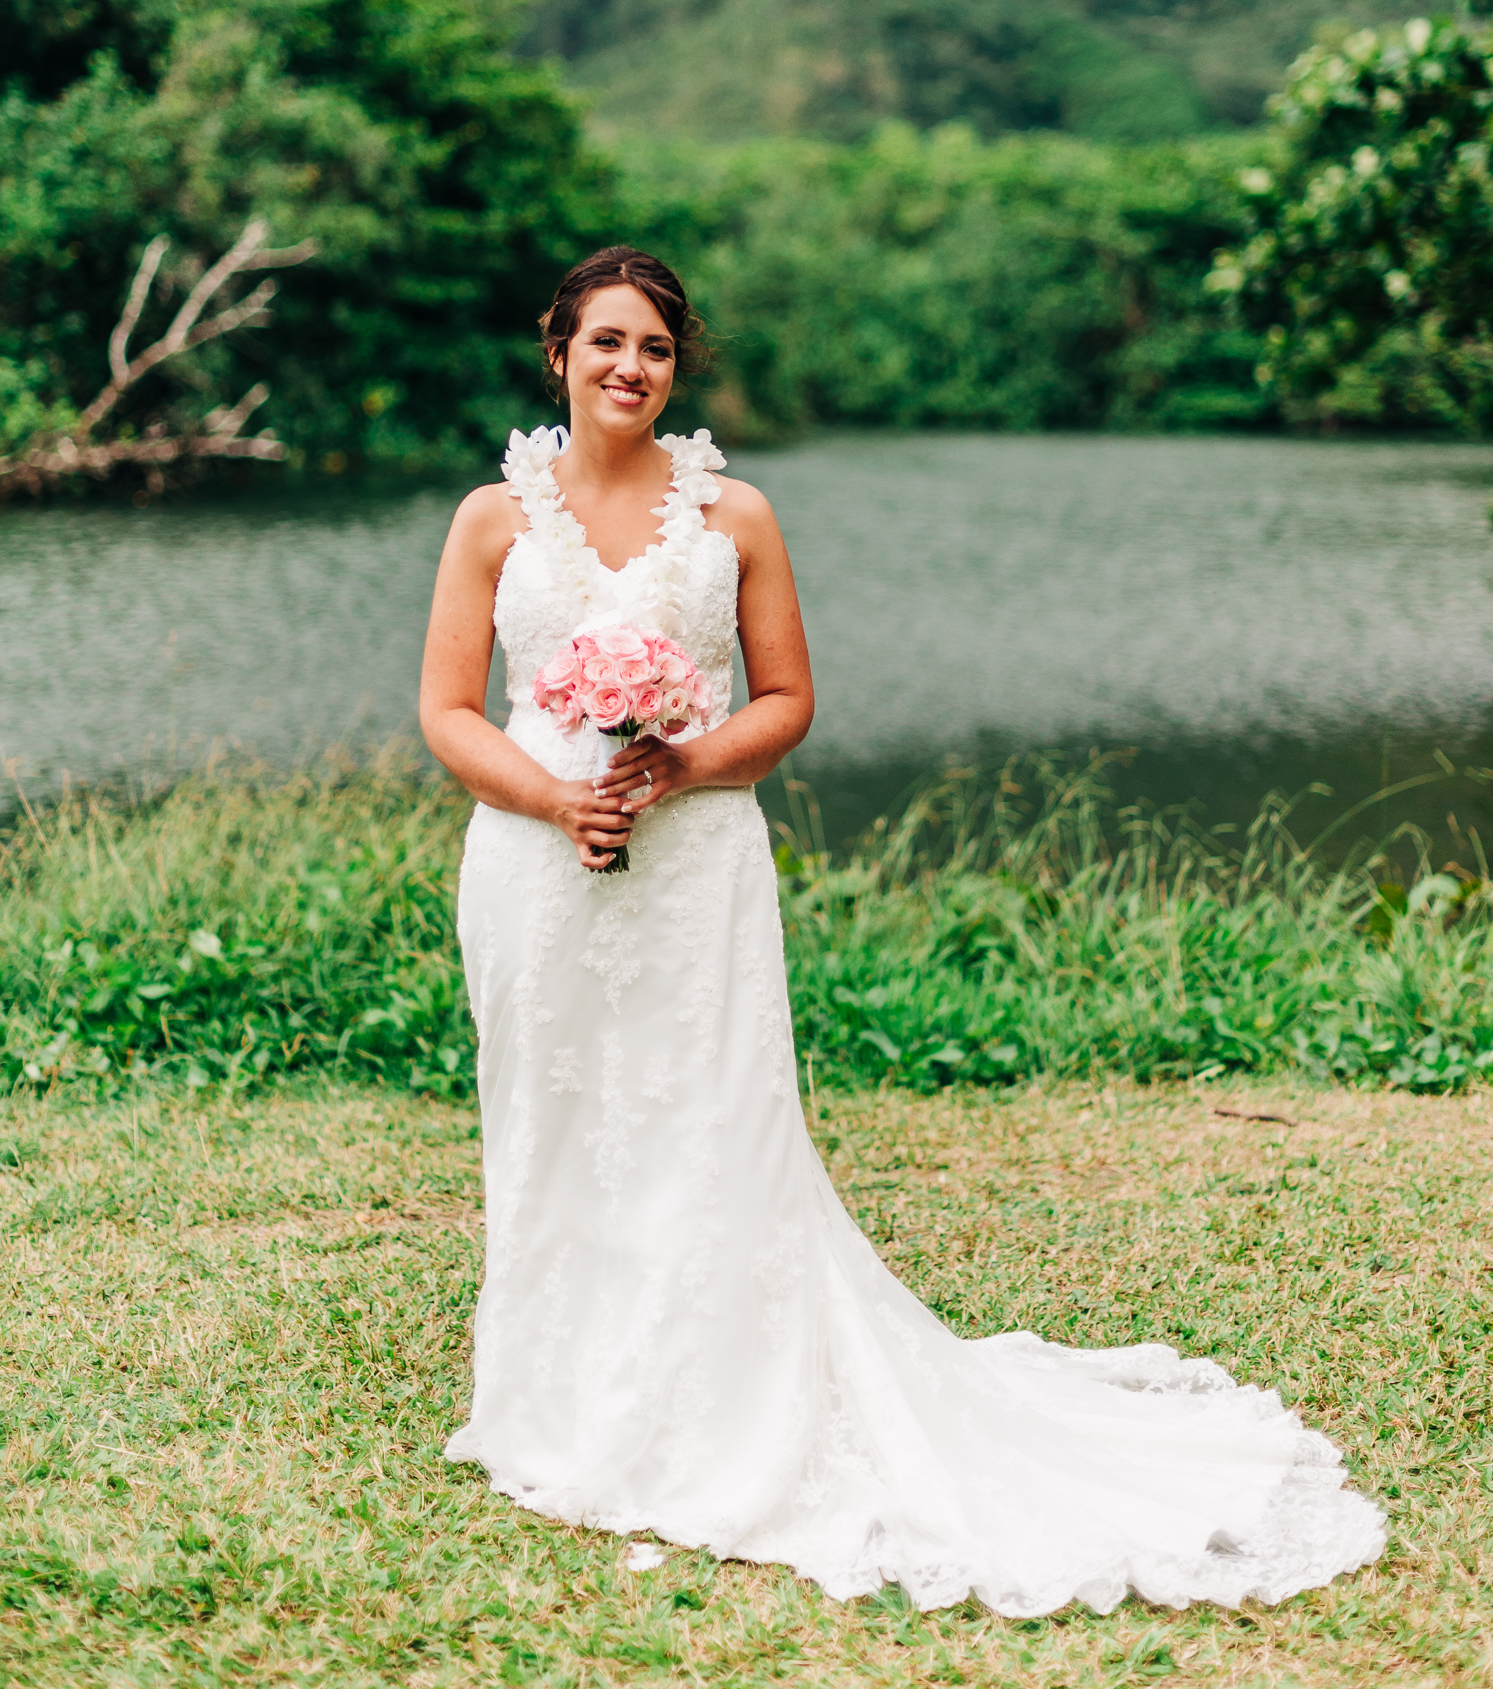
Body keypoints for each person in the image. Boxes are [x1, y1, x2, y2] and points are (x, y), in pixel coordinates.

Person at [419, 245, 1385, 1616]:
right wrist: (562, 797)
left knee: (705, 1119)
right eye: (607, 344)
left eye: (657, 349)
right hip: (534, 863)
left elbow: (787, 699)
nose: (631, 368)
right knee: (553, 1117)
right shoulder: (489, 520)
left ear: (675, 368)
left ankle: (714, 1416)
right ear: (557, 352)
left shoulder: (736, 514)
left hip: (695, 862)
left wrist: (684, 764)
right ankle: (558, 1409)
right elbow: (452, 712)